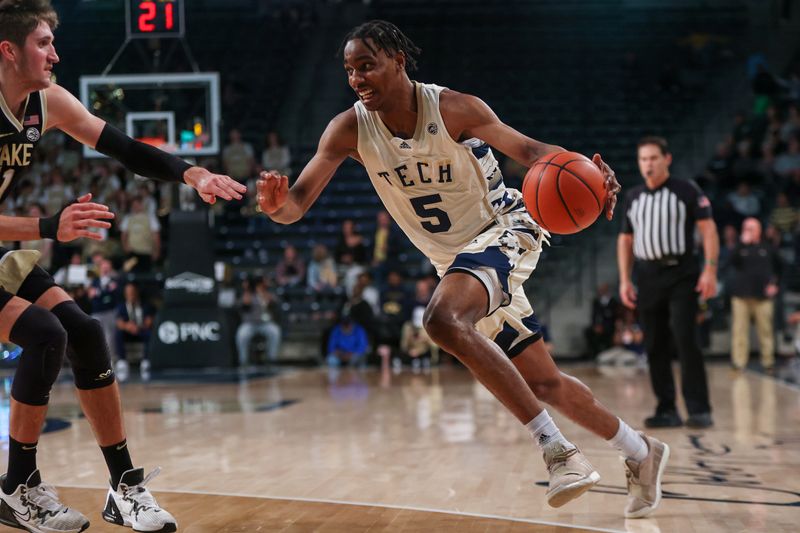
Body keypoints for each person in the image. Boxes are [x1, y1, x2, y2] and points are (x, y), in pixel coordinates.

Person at [257, 20, 668, 518]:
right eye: (349, 70)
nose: (357, 78)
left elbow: (533, 153)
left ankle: (559, 452)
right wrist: (276, 206)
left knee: (441, 320)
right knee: (544, 382)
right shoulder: (348, 129)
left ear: (398, 61)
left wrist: (592, 177)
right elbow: (296, 204)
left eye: (367, 65)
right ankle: (642, 452)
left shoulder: (452, 107)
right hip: (457, 261)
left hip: (506, 227)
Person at [0, 3, 246, 531]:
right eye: (43, 43)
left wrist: (192, 174)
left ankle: (123, 487)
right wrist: (49, 227)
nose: (54, 54)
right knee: (44, 333)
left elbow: (128, 149)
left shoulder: (48, 101)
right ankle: (17, 488)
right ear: (9, 50)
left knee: (85, 333)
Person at [617, 136, 719, 430]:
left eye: (653, 158)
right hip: (647, 276)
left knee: (687, 340)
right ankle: (667, 408)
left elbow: (708, 230)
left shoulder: (686, 190)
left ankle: (699, 409)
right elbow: (625, 239)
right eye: (643, 159)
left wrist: (710, 270)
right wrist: (625, 279)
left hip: (682, 273)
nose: (648, 164)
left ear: (667, 159)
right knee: (654, 344)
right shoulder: (633, 197)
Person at [727, 218, 782, 372]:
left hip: (763, 297)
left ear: (759, 230)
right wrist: (741, 244)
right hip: (741, 296)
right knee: (739, 331)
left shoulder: (768, 247)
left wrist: (775, 284)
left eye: (752, 228)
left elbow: (781, 267)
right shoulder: (740, 248)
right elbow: (730, 262)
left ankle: (768, 362)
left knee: (765, 330)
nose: (748, 230)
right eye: (746, 227)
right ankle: (738, 363)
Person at [114, 282, 154, 382]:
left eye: (132, 292)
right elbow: (119, 322)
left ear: (136, 292)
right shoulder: (121, 306)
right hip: (128, 332)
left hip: (141, 331)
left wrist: (140, 327)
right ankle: (122, 361)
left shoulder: (145, 305)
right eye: (128, 292)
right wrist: (128, 326)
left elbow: (149, 321)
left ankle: (146, 360)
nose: (130, 294)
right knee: (118, 333)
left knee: (149, 334)